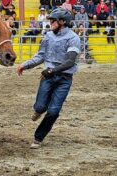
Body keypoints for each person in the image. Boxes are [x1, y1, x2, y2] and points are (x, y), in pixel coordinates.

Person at [17, 8, 81, 149]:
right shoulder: (48, 36)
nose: (50, 22)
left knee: (53, 111)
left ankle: (38, 138)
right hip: (47, 76)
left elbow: (70, 62)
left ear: (63, 22)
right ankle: (39, 110)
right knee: (40, 106)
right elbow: (41, 56)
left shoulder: (73, 38)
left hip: (64, 79)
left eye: (53, 20)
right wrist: (25, 65)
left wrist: (51, 70)